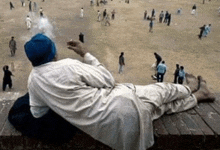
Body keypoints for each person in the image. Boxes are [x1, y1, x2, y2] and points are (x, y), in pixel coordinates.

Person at [8, 33, 215, 150]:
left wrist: (62, 103)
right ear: (53, 53)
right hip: (121, 102)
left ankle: (198, 96)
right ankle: (190, 88)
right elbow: (108, 80)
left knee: (161, 109)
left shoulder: (33, 80)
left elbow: (36, 113)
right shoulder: (68, 65)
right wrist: (86, 54)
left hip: (114, 130)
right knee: (162, 91)